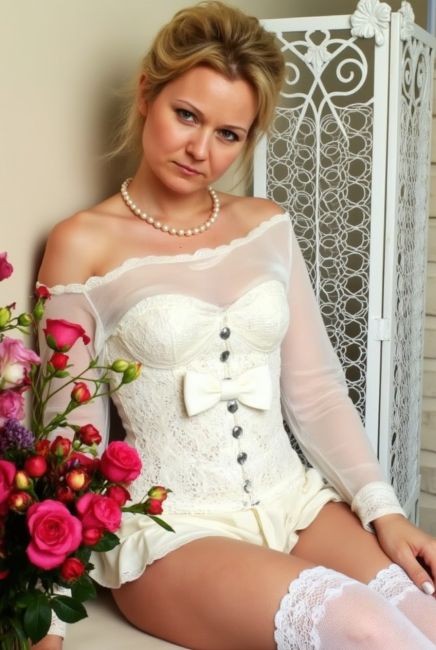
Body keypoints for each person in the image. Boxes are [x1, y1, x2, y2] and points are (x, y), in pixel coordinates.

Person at [34, 2, 436, 649]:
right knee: (364, 629)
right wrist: (46, 612)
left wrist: (384, 512)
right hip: (173, 530)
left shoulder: (266, 225)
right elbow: (70, 439)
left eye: (229, 133)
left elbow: (316, 391)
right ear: (147, 94)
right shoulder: (82, 243)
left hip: (291, 501)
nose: (200, 150)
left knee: (428, 613)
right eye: (187, 115)